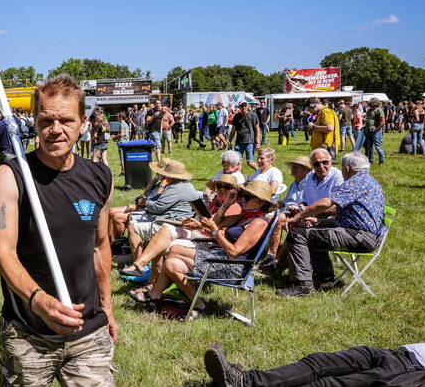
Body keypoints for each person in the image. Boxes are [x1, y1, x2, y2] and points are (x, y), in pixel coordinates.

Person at [0, 75, 123, 387]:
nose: (55, 129)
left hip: (86, 332)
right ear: (34, 121)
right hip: (29, 332)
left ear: (83, 123)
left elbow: (101, 245)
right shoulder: (12, 176)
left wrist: (106, 306)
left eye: (65, 120)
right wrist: (40, 300)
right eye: (46, 119)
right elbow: (4, 251)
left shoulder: (99, 176)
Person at [204, 288, 425, 387]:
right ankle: (246, 381)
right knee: (318, 361)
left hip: (419, 378)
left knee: (336, 384)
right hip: (399, 354)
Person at [151, 180, 274, 318]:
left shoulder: (258, 222)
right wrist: (227, 204)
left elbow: (234, 253)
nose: (243, 199)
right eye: (243, 195)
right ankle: (165, 297)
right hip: (221, 258)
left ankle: (161, 295)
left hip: (233, 268)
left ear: (261, 202)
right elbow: (215, 223)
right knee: (172, 257)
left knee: (173, 256)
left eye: (248, 197)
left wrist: (215, 232)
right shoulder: (245, 216)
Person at [276, 152, 384, 297]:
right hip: (364, 234)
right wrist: (320, 221)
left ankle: (302, 285)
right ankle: (324, 277)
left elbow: (327, 203)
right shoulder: (369, 181)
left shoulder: (356, 182)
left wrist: (298, 217)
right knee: (315, 232)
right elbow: (354, 217)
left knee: (298, 234)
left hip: (360, 237)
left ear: (347, 168)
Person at [119, 159, 198, 275]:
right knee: (131, 219)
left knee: (132, 226)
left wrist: (144, 203)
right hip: (172, 221)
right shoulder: (184, 185)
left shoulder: (175, 188)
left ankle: (138, 264)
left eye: (165, 174)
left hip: (172, 224)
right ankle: (137, 262)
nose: (162, 175)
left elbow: (156, 208)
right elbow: (156, 201)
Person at [231, 102, 260, 168]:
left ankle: (259, 173)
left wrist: (257, 142)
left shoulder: (253, 115)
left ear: (248, 106)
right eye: (242, 106)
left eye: (245, 105)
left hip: (250, 142)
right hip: (238, 142)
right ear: (239, 107)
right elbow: (233, 130)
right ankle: (240, 177)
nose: (243, 107)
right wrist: (229, 141)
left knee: (250, 162)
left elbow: (257, 129)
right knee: (238, 162)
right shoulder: (236, 116)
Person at [362, 98, 386, 164]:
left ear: (375, 104)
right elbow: (368, 120)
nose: (370, 105)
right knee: (370, 147)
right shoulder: (369, 110)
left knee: (378, 146)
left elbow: (383, 121)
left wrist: (377, 129)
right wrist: (364, 126)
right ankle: (371, 160)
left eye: (371, 103)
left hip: (376, 132)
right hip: (368, 131)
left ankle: (381, 160)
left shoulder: (379, 110)